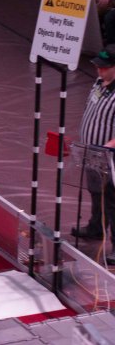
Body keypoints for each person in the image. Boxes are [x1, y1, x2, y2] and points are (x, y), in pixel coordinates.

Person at [72, 45, 115, 264]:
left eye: (105, 67)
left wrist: (108, 146)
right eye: (98, 66)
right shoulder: (99, 83)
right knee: (96, 191)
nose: (100, 70)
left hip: (110, 157)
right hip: (91, 152)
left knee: (112, 201)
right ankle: (96, 228)